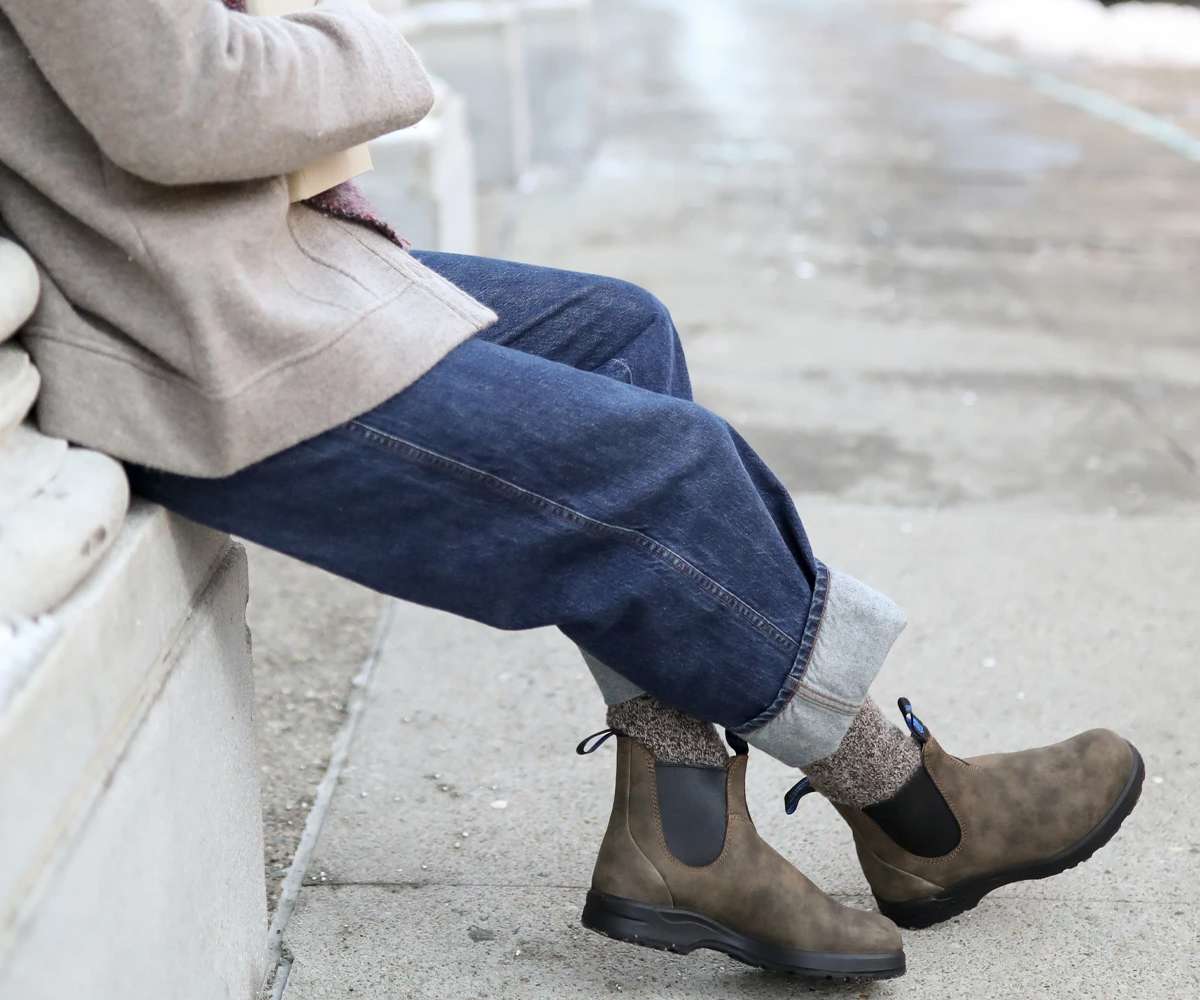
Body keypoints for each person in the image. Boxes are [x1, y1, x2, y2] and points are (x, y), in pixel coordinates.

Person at [0, 0, 1143, 982]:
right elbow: (180, 99)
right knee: (669, 471)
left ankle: (685, 832)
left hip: (239, 262)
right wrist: (370, 52)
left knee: (616, 332)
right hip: (181, 334)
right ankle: (914, 808)